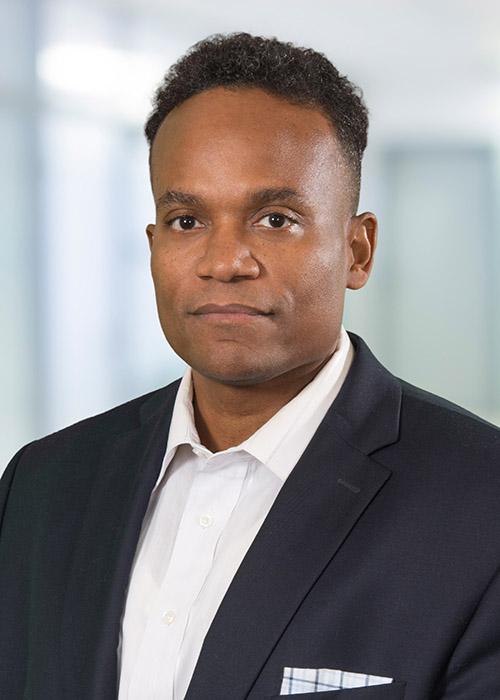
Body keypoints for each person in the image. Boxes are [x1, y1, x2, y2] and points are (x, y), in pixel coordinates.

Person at [1, 31, 499, 700]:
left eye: (275, 219)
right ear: (152, 246)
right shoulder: (44, 484)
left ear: (357, 250)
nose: (224, 261)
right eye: (186, 221)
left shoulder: (480, 505)